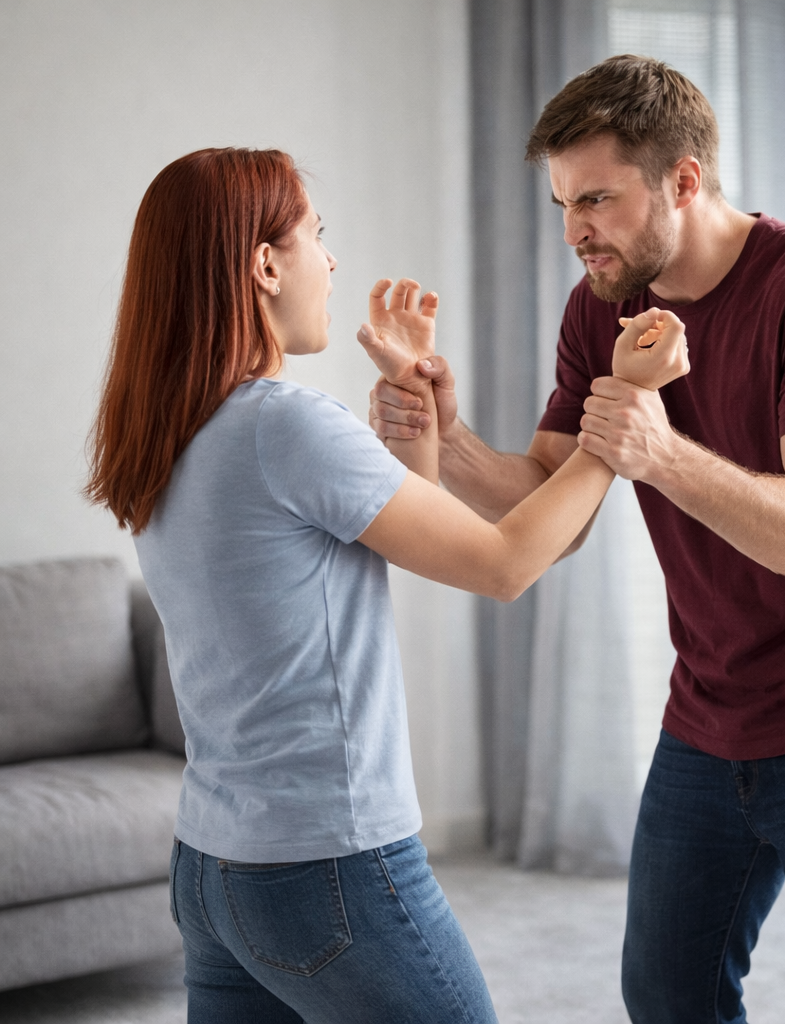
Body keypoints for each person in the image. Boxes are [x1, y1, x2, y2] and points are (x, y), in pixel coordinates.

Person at [371, 55, 785, 1023]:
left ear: (683, 179)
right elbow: (548, 508)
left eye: (595, 199)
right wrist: (449, 437)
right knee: (667, 994)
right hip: (710, 712)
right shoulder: (603, 305)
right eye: (563, 204)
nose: (574, 232)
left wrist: (661, 452)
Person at [84, 146, 686, 1024]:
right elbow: (505, 563)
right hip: (328, 864)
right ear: (264, 265)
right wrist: (621, 413)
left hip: (216, 867)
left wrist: (414, 420)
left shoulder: (171, 431)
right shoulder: (284, 426)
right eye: (315, 236)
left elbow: (388, 541)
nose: (330, 262)